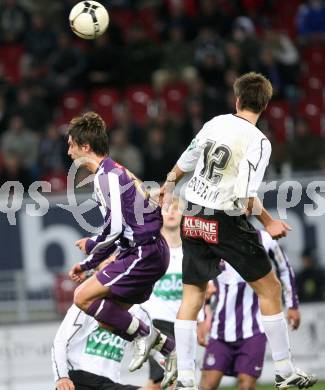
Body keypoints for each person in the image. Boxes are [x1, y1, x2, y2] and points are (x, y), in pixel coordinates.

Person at [161, 72, 317, 389]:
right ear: (265, 105)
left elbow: (188, 157)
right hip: (223, 220)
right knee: (270, 290)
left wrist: (168, 182)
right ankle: (285, 371)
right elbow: (246, 198)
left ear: (237, 100)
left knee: (191, 296)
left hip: (192, 213)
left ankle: (186, 381)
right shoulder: (258, 142)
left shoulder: (215, 123)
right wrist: (269, 222)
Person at [66, 112, 176, 387]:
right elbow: (124, 222)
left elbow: (114, 229)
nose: (68, 152)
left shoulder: (107, 177)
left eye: (71, 145)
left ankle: (152, 339)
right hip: (146, 250)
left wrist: (91, 257)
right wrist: (92, 248)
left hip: (143, 252)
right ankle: (167, 349)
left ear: (85, 147)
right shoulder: (115, 170)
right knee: (107, 319)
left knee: (82, 297)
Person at [199, 230, 301, 390]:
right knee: (207, 385)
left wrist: (292, 304)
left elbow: (284, 267)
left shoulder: (265, 238)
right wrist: (203, 317)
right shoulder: (211, 238)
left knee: (246, 386)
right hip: (220, 329)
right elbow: (202, 280)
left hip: (254, 329)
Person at [142, 198, 183, 389]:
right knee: (173, 377)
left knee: (157, 382)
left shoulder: (191, 250)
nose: (172, 213)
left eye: (176, 209)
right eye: (167, 209)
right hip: (156, 322)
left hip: (183, 324)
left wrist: (204, 316)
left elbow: (201, 289)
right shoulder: (150, 248)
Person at [52, 303, 142, 390]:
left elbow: (151, 341)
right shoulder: (86, 301)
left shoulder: (139, 310)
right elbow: (61, 341)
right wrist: (62, 377)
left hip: (111, 382)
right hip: (80, 379)